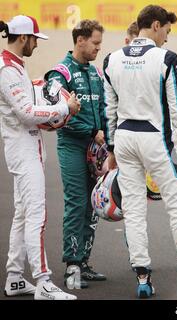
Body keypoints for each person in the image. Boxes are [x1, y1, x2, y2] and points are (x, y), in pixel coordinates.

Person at [104, 5, 177, 298]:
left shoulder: (110, 60)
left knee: (134, 211)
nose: (167, 36)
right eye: (167, 30)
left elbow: (110, 110)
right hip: (155, 140)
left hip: (125, 140)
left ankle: (143, 279)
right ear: (155, 25)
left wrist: (112, 148)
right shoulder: (166, 58)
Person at [0, 15, 80, 300]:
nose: (36, 43)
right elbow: (27, 114)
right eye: (35, 38)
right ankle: (44, 282)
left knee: (23, 216)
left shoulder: (15, 66)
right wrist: (64, 108)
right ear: (23, 38)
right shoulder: (7, 70)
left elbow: (29, 109)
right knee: (37, 216)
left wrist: (56, 105)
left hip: (28, 150)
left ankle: (14, 278)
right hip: (23, 153)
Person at [44, 19, 107, 290]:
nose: (98, 49)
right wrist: (93, 130)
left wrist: (105, 134)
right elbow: (60, 114)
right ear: (80, 40)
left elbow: (105, 109)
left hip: (97, 148)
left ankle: (84, 261)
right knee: (77, 202)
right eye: (95, 43)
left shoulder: (95, 73)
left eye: (100, 44)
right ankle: (71, 264)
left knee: (93, 205)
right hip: (72, 145)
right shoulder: (60, 73)